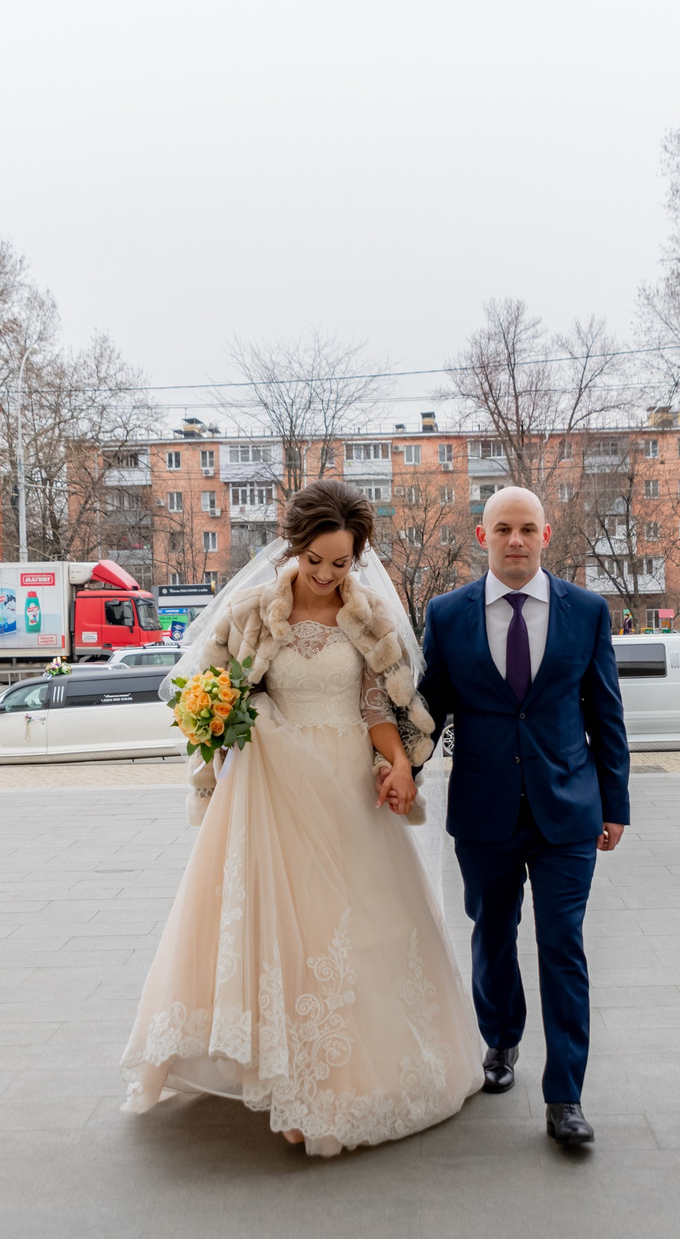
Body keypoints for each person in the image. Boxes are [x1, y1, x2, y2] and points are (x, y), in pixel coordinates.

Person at [119, 481, 482, 1156]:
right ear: (295, 548)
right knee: (284, 927)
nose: (325, 574)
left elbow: (375, 706)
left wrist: (398, 763)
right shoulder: (254, 611)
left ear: (356, 558)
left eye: (341, 563)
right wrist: (220, 719)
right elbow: (217, 688)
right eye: (315, 559)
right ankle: (284, 1080)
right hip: (274, 786)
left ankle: (339, 1082)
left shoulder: (366, 615)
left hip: (347, 785)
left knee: (356, 927)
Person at [419, 486, 630, 1148]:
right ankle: (501, 1037)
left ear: (546, 535)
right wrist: (397, 768)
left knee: (562, 944)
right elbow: (429, 709)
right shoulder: (446, 614)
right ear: (482, 536)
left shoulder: (586, 611)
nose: (516, 540)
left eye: (528, 529)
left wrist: (616, 803)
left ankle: (565, 1096)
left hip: (567, 808)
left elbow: (606, 712)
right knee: (493, 934)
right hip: (483, 812)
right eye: (504, 528)